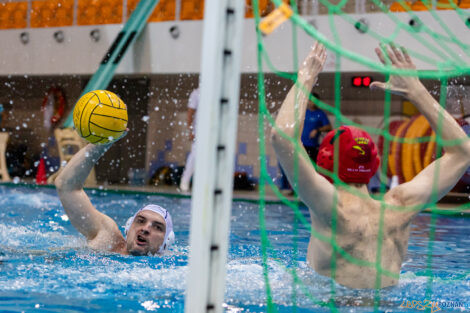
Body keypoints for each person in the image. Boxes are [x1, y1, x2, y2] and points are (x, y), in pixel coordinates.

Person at [271, 42, 470, 288]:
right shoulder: (400, 207)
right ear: (374, 164)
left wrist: (306, 77)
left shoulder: (331, 208)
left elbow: (282, 138)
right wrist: (416, 91)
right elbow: (462, 153)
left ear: (324, 164)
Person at [55, 139, 175, 256]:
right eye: (140, 221)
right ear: (128, 226)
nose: (145, 229)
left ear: (165, 242)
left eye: (157, 227)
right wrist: (102, 143)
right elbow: (66, 186)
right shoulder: (108, 239)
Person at [301, 92, 332, 162]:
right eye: (310, 100)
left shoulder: (320, 114)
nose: (311, 102)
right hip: (301, 145)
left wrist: (317, 130)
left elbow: (329, 127)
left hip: (312, 146)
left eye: (313, 101)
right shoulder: (304, 112)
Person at [179, 87, 199, 192]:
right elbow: (190, 113)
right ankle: (185, 181)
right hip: (199, 132)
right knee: (194, 156)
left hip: (212, 133)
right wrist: (191, 130)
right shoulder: (196, 93)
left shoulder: (215, 93)